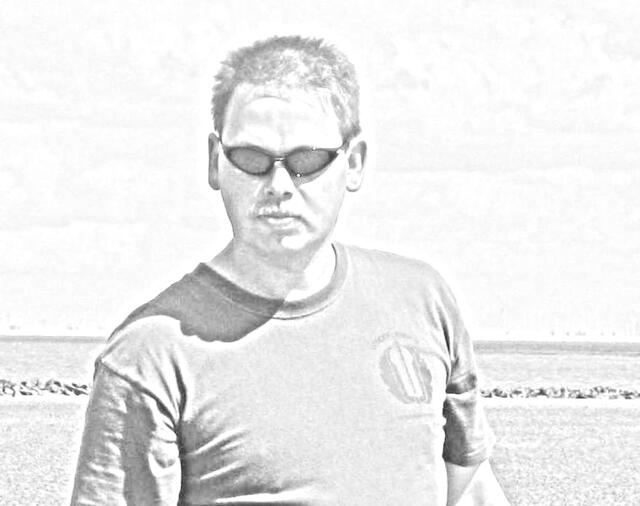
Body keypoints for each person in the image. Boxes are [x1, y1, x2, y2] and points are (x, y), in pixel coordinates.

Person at [71, 35, 509, 505]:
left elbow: (468, 487)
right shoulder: (149, 355)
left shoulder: (422, 299)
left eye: (306, 161)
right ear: (216, 163)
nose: (278, 184)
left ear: (354, 163)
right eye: (252, 159)